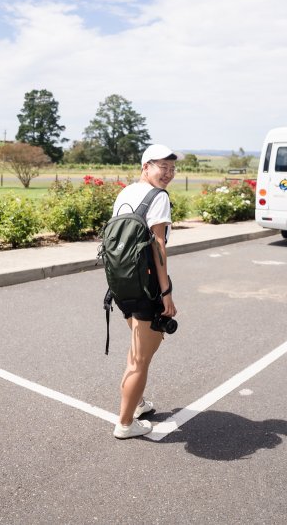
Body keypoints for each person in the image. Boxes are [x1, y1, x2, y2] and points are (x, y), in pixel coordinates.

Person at [111, 143, 178, 439]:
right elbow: (158, 245)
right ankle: (125, 424)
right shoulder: (158, 197)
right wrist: (166, 292)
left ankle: (137, 403)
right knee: (140, 359)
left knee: (138, 347)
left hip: (122, 282)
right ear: (146, 166)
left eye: (172, 169)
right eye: (162, 167)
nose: (168, 174)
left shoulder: (125, 193)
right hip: (147, 284)